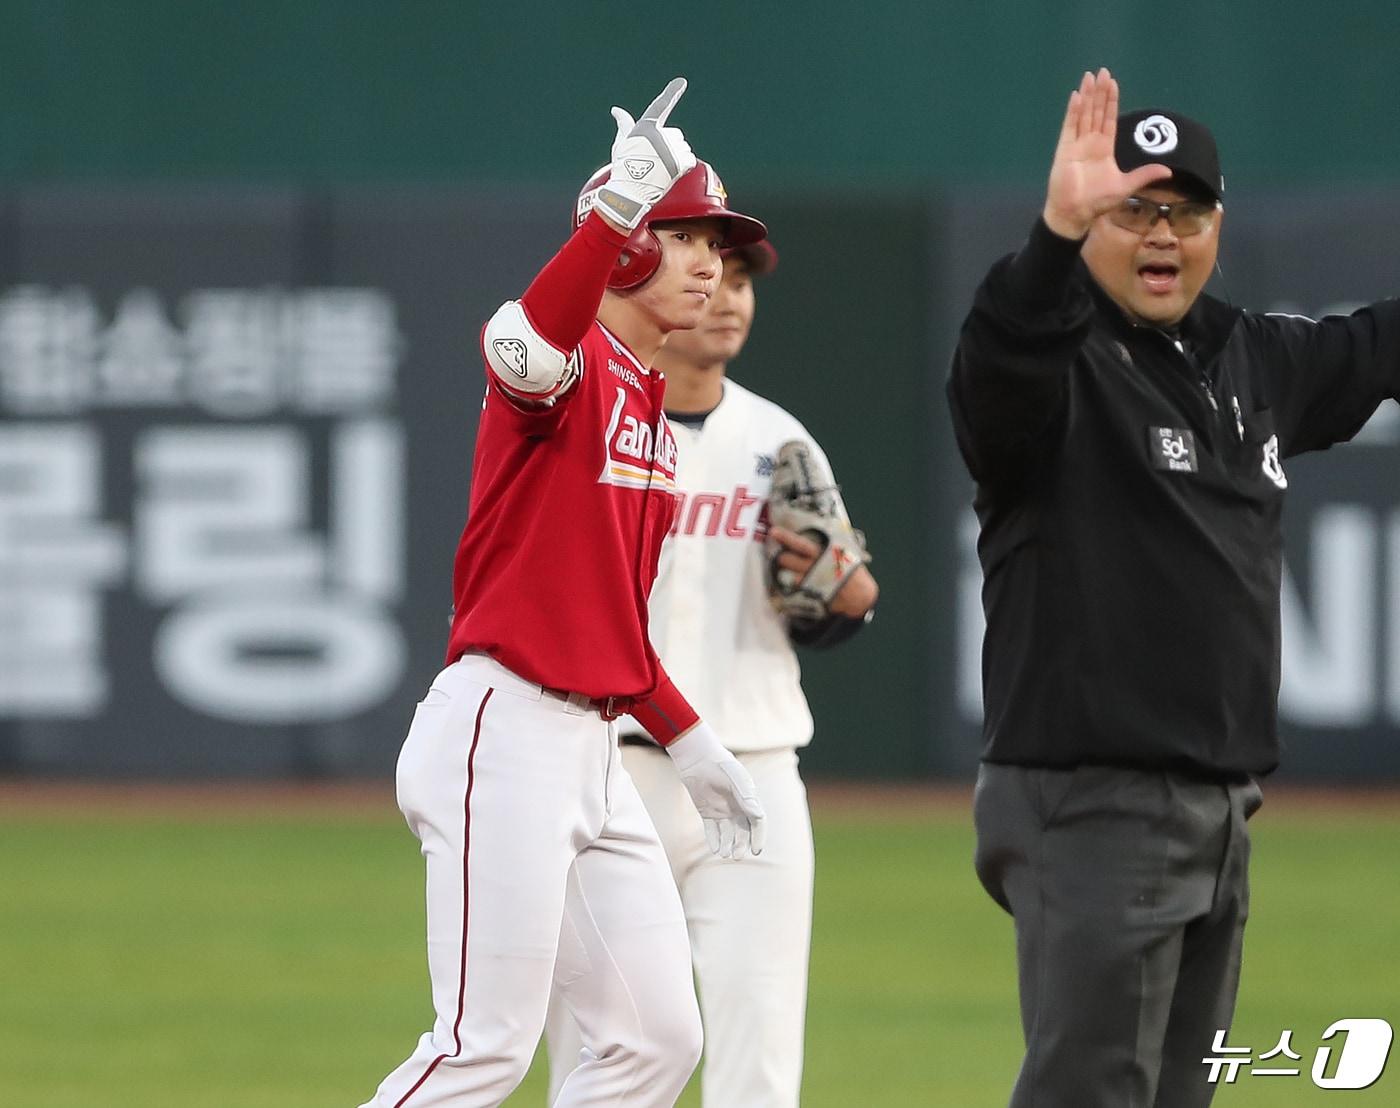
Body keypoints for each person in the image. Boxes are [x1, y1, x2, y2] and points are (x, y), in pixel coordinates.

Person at [947, 68, 1400, 1108]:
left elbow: (1375, 347)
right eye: (1131, 209)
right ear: (1090, 222)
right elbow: (995, 374)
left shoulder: (1246, 356)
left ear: (1216, 224)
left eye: (1182, 211)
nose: (1160, 234)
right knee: (1090, 1092)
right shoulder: (1053, 360)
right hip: (1094, 794)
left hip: (1213, 802)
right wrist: (1050, 239)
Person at [357, 78, 768, 1108]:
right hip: (503, 729)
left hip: (590, 751)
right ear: (627, 245)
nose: (710, 266)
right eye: (686, 239)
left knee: (653, 1039)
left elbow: (611, 625)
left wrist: (686, 735)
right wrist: (613, 217)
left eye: (717, 248)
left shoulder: (647, 405)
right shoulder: (573, 357)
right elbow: (521, 350)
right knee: (480, 1049)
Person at [543, 238, 879, 1106]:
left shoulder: (779, 437)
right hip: (611, 770)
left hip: (757, 766)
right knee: (599, 1052)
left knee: (760, 1051)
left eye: (742, 281)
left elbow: (840, 601)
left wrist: (841, 590)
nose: (728, 297)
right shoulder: (593, 419)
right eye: (709, 275)